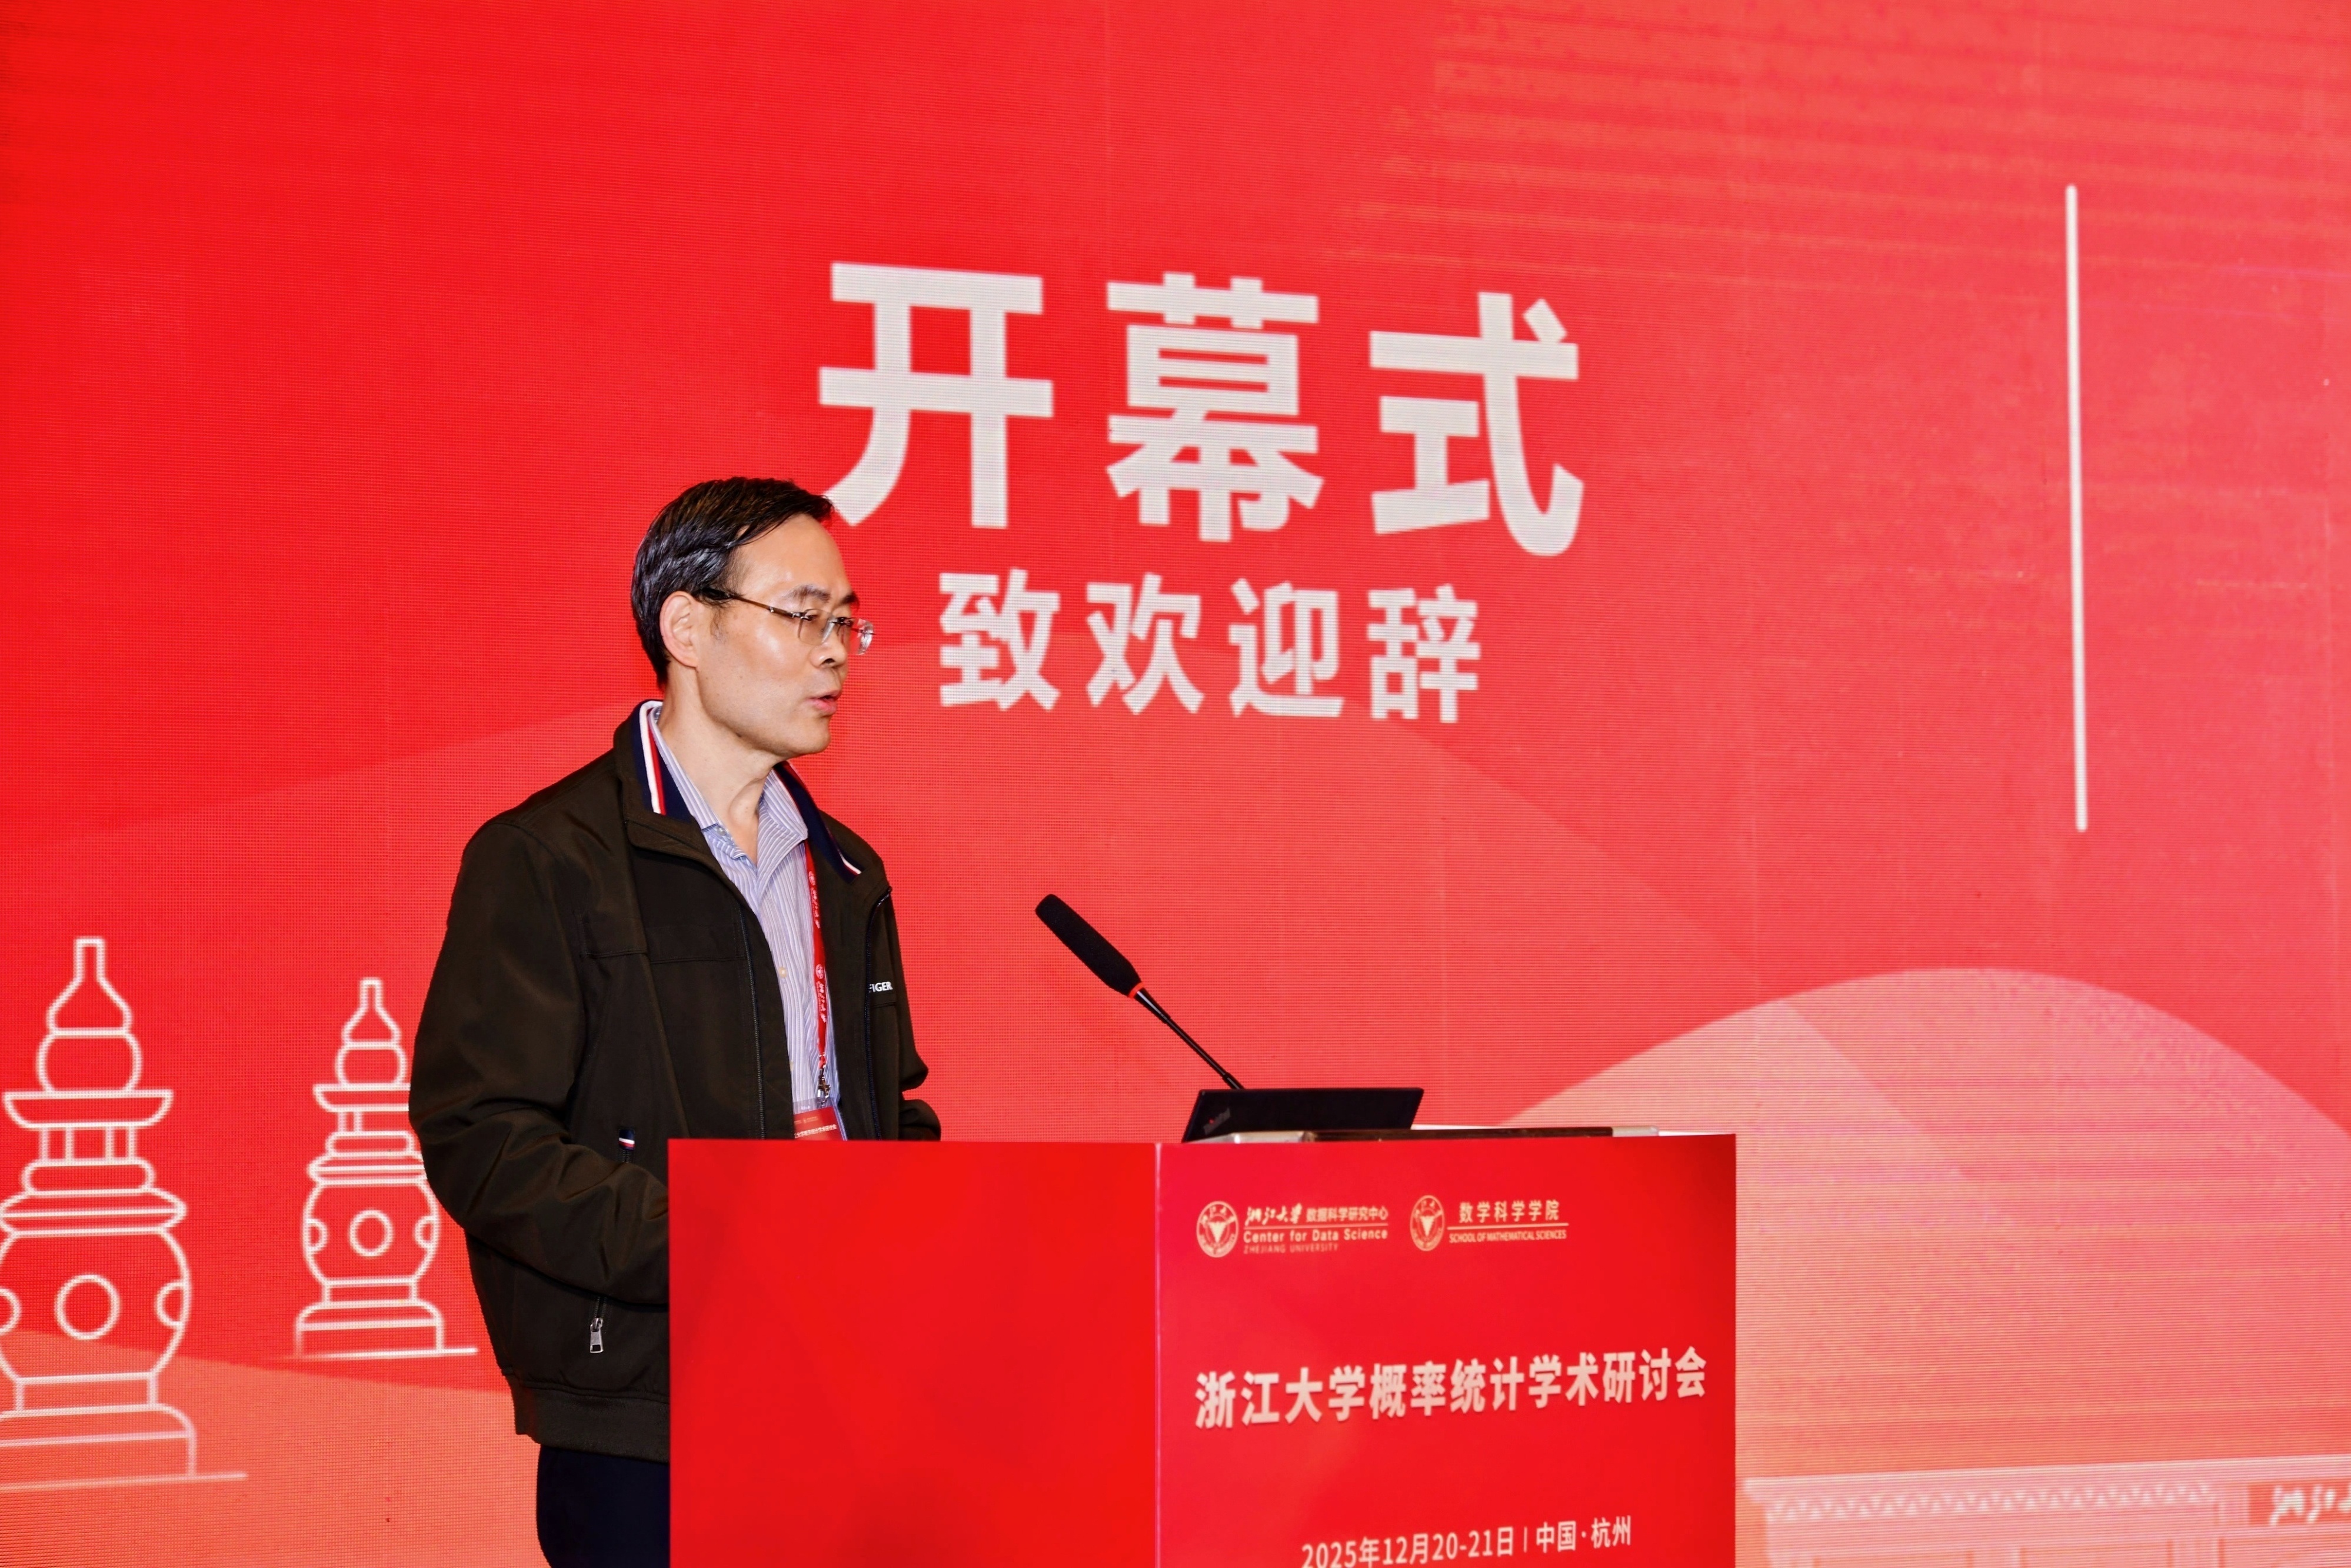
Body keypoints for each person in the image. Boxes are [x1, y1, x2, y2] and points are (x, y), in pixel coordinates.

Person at [411, 477, 940, 1568]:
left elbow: (890, 1109)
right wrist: (716, 1244)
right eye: (803, 615)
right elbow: (483, 1138)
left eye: (847, 621)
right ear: (687, 627)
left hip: (842, 1381)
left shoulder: (849, 871)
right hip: (652, 1407)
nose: (835, 651)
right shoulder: (549, 857)